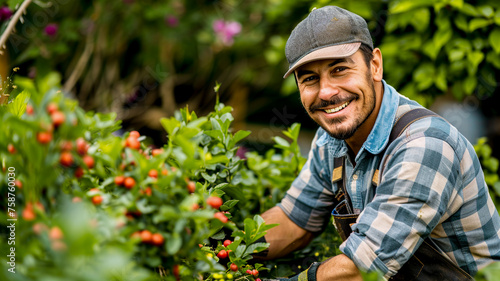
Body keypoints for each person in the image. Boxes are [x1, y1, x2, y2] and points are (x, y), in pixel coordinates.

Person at [260, 5, 500, 280]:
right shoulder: (330, 141)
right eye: (310, 79)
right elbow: (294, 219)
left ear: (375, 65)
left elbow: (365, 268)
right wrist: (227, 248)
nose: (326, 92)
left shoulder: (424, 144)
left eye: (339, 69)